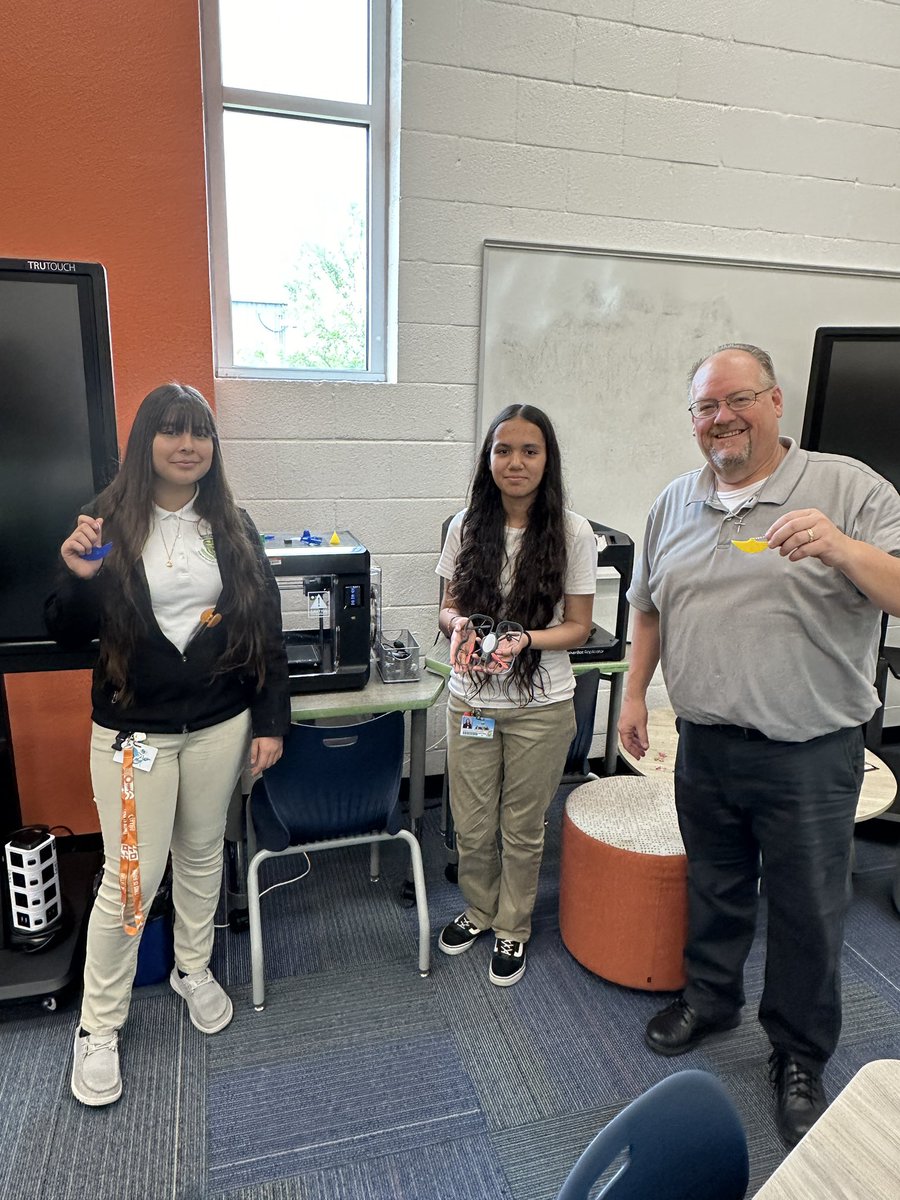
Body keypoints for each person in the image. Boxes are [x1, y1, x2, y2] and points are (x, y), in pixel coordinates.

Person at [618, 344, 900, 1146]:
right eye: (705, 408)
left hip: (808, 752)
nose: (721, 419)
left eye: (737, 400)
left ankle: (800, 1054)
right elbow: (647, 607)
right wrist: (637, 692)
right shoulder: (675, 501)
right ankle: (711, 999)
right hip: (705, 741)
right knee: (714, 884)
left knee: (810, 911)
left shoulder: (848, 488)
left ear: (776, 401)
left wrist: (842, 546)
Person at [45, 382, 290, 1107]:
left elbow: (265, 632)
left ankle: (191, 966)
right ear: (146, 439)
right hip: (132, 738)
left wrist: (271, 721)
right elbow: (63, 626)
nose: (189, 445)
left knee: (203, 852)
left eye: (202, 433)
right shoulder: (109, 517)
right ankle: (99, 1024)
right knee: (129, 879)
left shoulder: (231, 524)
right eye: (173, 430)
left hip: (219, 724)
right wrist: (80, 575)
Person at [436, 403, 595, 986]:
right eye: (503, 450)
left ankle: (512, 926)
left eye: (530, 451)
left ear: (547, 460)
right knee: (472, 824)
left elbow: (578, 627)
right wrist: (461, 628)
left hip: (540, 707)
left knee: (522, 827)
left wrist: (524, 639)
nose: (516, 462)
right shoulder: (466, 526)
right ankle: (479, 910)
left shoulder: (572, 533)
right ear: (488, 459)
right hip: (472, 702)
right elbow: (446, 608)